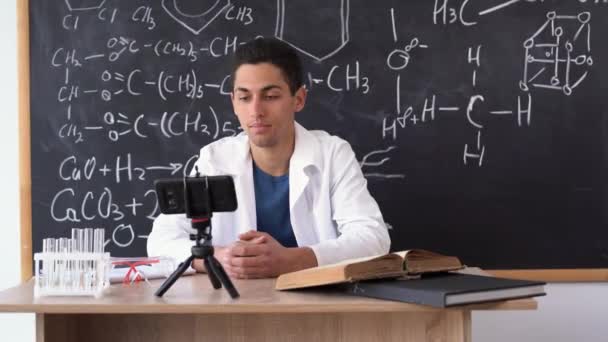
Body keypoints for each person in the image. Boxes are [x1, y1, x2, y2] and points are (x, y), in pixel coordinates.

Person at [147, 37, 390, 279]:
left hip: (318, 305)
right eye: (244, 98)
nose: (256, 111)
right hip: (236, 306)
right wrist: (216, 257)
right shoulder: (215, 160)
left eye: (270, 96)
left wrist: (291, 261)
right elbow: (161, 240)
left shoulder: (333, 155)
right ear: (233, 103)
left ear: (299, 99)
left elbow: (373, 238)